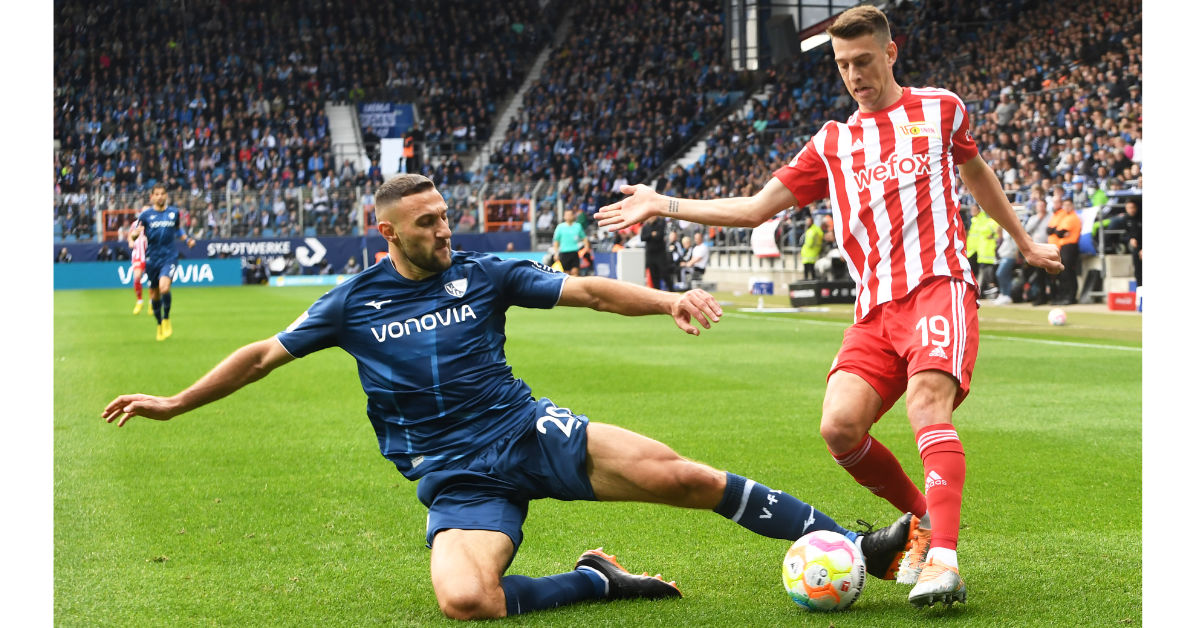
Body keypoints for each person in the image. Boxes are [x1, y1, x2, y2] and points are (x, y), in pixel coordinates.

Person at [102, 174, 916, 620]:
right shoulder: (353, 303)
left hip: (528, 430)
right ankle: (597, 579)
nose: (444, 230)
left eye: (445, 217)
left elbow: (590, 291)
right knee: (467, 601)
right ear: (388, 234)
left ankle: (856, 545)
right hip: (456, 477)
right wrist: (175, 402)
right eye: (426, 224)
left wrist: (666, 300)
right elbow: (260, 357)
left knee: (686, 479)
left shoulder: (482, 273)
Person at [595, 6, 1062, 608]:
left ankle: (943, 561)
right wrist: (665, 203)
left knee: (926, 403)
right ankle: (925, 521)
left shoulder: (941, 109)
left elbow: (975, 171)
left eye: (863, 61)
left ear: (890, 54)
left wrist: (1022, 240)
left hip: (936, 285)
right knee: (839, 428)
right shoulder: (833, 143)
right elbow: (754, 209)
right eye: (843, 66)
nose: (854, 75)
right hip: (874, 309)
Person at [133, 184, 197, 340]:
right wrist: (135, 235)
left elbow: (178, 230)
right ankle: (159, 324)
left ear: (166, 195)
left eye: (162, 194)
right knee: (154, 294)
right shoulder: (145, 215)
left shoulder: (174, 213)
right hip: (152, 259)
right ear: (152, 197)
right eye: (157, 194)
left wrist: (187, 239)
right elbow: (134, 234)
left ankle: (167, 318)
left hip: (170, 257)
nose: (160, 196)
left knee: (164, 287)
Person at [1048, 197, 1082, 305]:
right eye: (1065, 205)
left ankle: (1071, 297)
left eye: (1068, 205)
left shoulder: (1073, 218)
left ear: (1072, 206)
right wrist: (1058, 232)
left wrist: (1058, 232)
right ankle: (1065, 296)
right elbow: (1051, 230)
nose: (1066, 207)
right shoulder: (1065, 217)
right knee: (1064, 273)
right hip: (1064, 246)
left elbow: (1059, 232)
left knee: (1068, 272)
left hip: (1070, 246)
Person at [1023, 198, 1053, 305]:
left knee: (1050, 274)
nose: (1040, 207)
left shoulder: (1051, 217)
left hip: (1048, 248)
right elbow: (1027, 230)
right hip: (1036, 249)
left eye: (1042, 205)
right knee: (1038, 275)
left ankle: (1052, 296)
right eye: (1038, 205)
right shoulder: (1033, 218)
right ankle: (1040, 296)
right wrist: (1038, 219)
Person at [551, 209, 587, 276]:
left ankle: (575, 286)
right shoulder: (560, 227)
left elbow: (584, 238)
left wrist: (586, 248)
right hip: (564, 253)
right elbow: (556, 241)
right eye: (567, 215)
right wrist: (556, 253)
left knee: (575, 273)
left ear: (573, 216)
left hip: (574, 253)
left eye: (570, 215)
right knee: (566, 275)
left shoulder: (578, 226)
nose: (568, 216)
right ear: (564, 216)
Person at [641, 214, 670, 291]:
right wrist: (651, 234)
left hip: (660, 253)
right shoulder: (645, 226)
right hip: (650, 254)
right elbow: (642, 238)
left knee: (664, 273)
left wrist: (651, 236)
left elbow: (659, 236)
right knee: (653, 274)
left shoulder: (661, 223)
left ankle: (671, 289)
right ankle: (657, 291)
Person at [128, 219, 148, 314]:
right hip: (138, 255)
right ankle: (139, 301)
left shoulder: (153, 222)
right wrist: (131, 241)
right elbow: (130, 236)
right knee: (136, 278)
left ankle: (152, 302)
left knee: (154, 281)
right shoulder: (134, 224)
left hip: (150, 254)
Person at [799, 216, 824, 280]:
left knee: (809, 267)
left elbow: (810, 243)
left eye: (808, 221)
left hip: (810, 251)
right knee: (810, 266)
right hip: (812, 251)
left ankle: (807, 278)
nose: (806, 222)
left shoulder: (812, 231)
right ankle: (810, 277)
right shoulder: (816, 229)